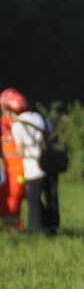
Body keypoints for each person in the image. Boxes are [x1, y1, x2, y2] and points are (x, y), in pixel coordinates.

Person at [7, 92, 61, 235]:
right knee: (51, 197)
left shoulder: (18, 124)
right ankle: (52, 226)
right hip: (51, 165)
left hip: (33, 167)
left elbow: (21, 150)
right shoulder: (43, 119)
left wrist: (8, 156)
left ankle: (35, 229)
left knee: (33, 199)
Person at [1, 90, 27, 231]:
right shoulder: (3, 124)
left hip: (18, 169)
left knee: (15, 197)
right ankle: (8, 225)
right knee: (7, 197)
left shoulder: (19, 123)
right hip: (7, 169)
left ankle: (14, 226)